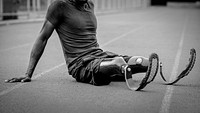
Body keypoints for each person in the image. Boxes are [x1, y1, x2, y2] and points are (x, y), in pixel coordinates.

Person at [5, 0, 159, 90]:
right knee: (117, 63)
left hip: (100, 55)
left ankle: (152, 66)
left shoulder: (90, 4)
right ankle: (120, 68)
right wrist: (28, 73)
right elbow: (42, 37)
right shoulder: (59, 6)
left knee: (141, 61)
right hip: (79, 64)